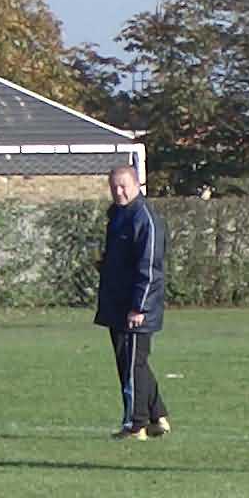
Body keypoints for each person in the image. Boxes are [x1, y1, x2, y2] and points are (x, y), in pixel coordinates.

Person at [94, 163, 169, 439]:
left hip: (136, 308)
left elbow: (149, 267)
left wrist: (140, 307)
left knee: (132, 366)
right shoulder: (117, 215)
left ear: (137, 185)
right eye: (114, 187)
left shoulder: (144, 219)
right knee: (133, 362)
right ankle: (157, 416)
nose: (119, 192)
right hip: (117, 303)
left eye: (123, 186)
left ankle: (136, 424)